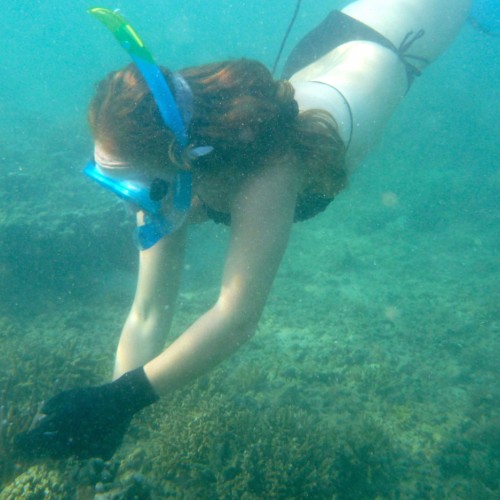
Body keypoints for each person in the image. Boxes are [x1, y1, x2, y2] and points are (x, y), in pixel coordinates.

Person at [15, 0, 471, 460]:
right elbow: (149, 310)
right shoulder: (162, 171)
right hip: (323, 55)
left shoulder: (271, 172)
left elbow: (236, 318)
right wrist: (112, 408)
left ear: (180, 158)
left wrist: (121, 399)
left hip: (404, 36)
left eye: (133, 183)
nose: (133, 200)